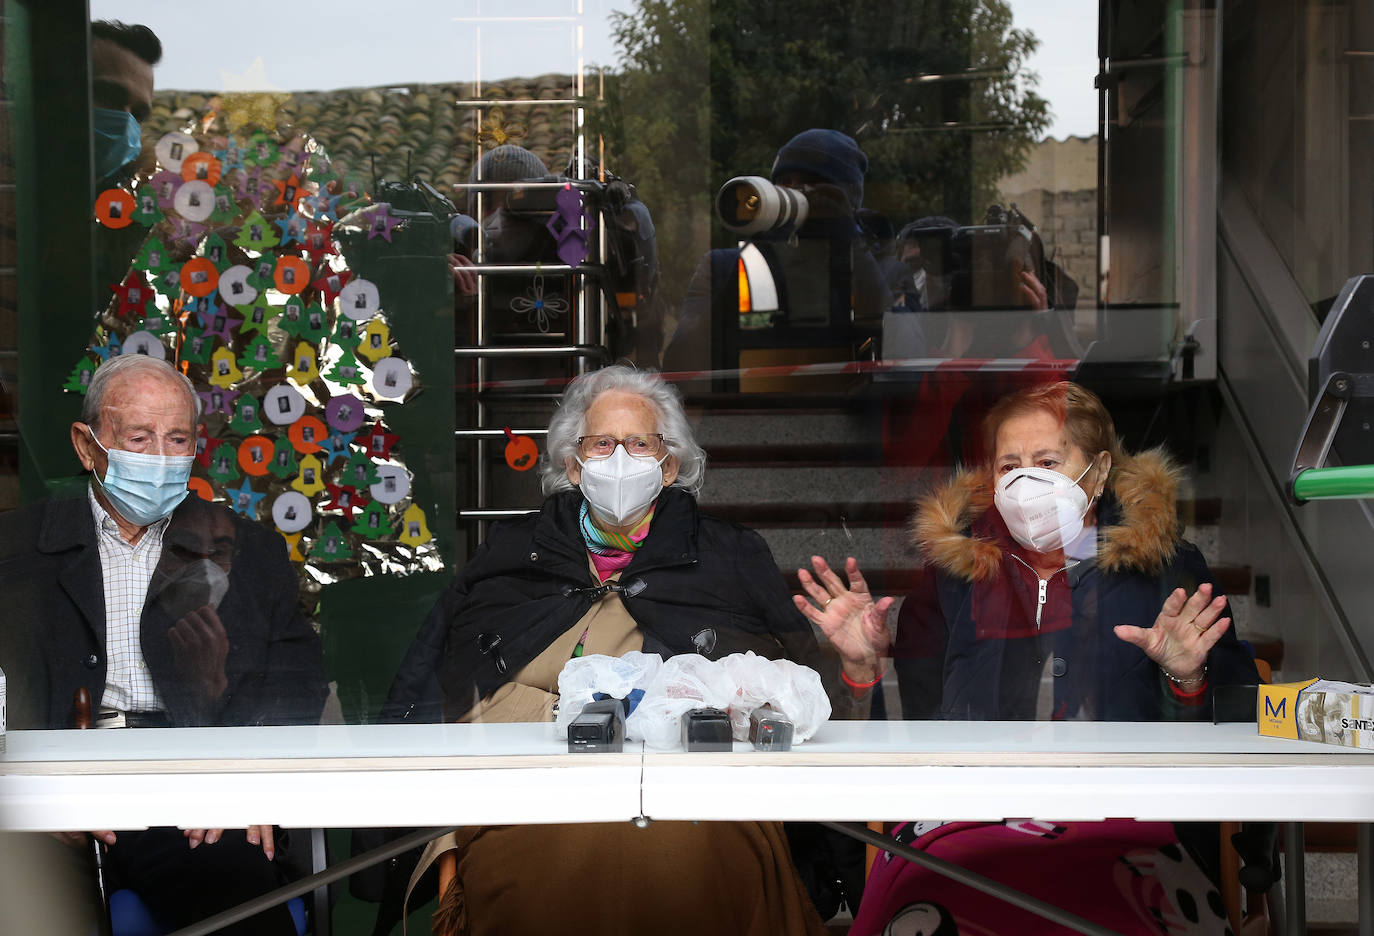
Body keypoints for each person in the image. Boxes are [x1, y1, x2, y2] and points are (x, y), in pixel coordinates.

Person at [389, 364, 889, 936]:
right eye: (602, 443)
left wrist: (855, 669)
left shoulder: (728, 556)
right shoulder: (511, 553)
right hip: (532, 785)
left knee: (694, 861)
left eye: (638, 443)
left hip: (702, 793)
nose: (618, 457)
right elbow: (447, 688)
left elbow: (799, 710)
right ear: (573, 465)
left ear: (669, 464)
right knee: (536, 866)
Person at [844, 380, 1259, 935]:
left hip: (1124, 825)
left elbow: (1241, 718)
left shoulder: (1168, 571)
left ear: (1100, 472)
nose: (1025, 480)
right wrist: (865, 671)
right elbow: (905, 731)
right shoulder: (955, 576)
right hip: (965, 822)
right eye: (1008, 464)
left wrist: (1186, 679)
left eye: (1047, 460)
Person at [0, 354, 327, 935]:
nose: (158, 457)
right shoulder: (14, 549)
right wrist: (30, 794)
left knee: (236, 896)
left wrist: (244, 781)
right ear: (87, 445)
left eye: (176, 438)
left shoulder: (248, 551)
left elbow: (293, 679)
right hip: (47, 785)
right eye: (137, 438)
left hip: (195, 784)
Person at [661, 128, 894, 376]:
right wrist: (758, 256)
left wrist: (848, 246)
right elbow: (680, 363)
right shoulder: (722, 267)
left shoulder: (872, 269)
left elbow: (898, 349)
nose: (794, 192)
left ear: (845, 202)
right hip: (737, 411)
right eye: (785, 183)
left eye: (812, 184)